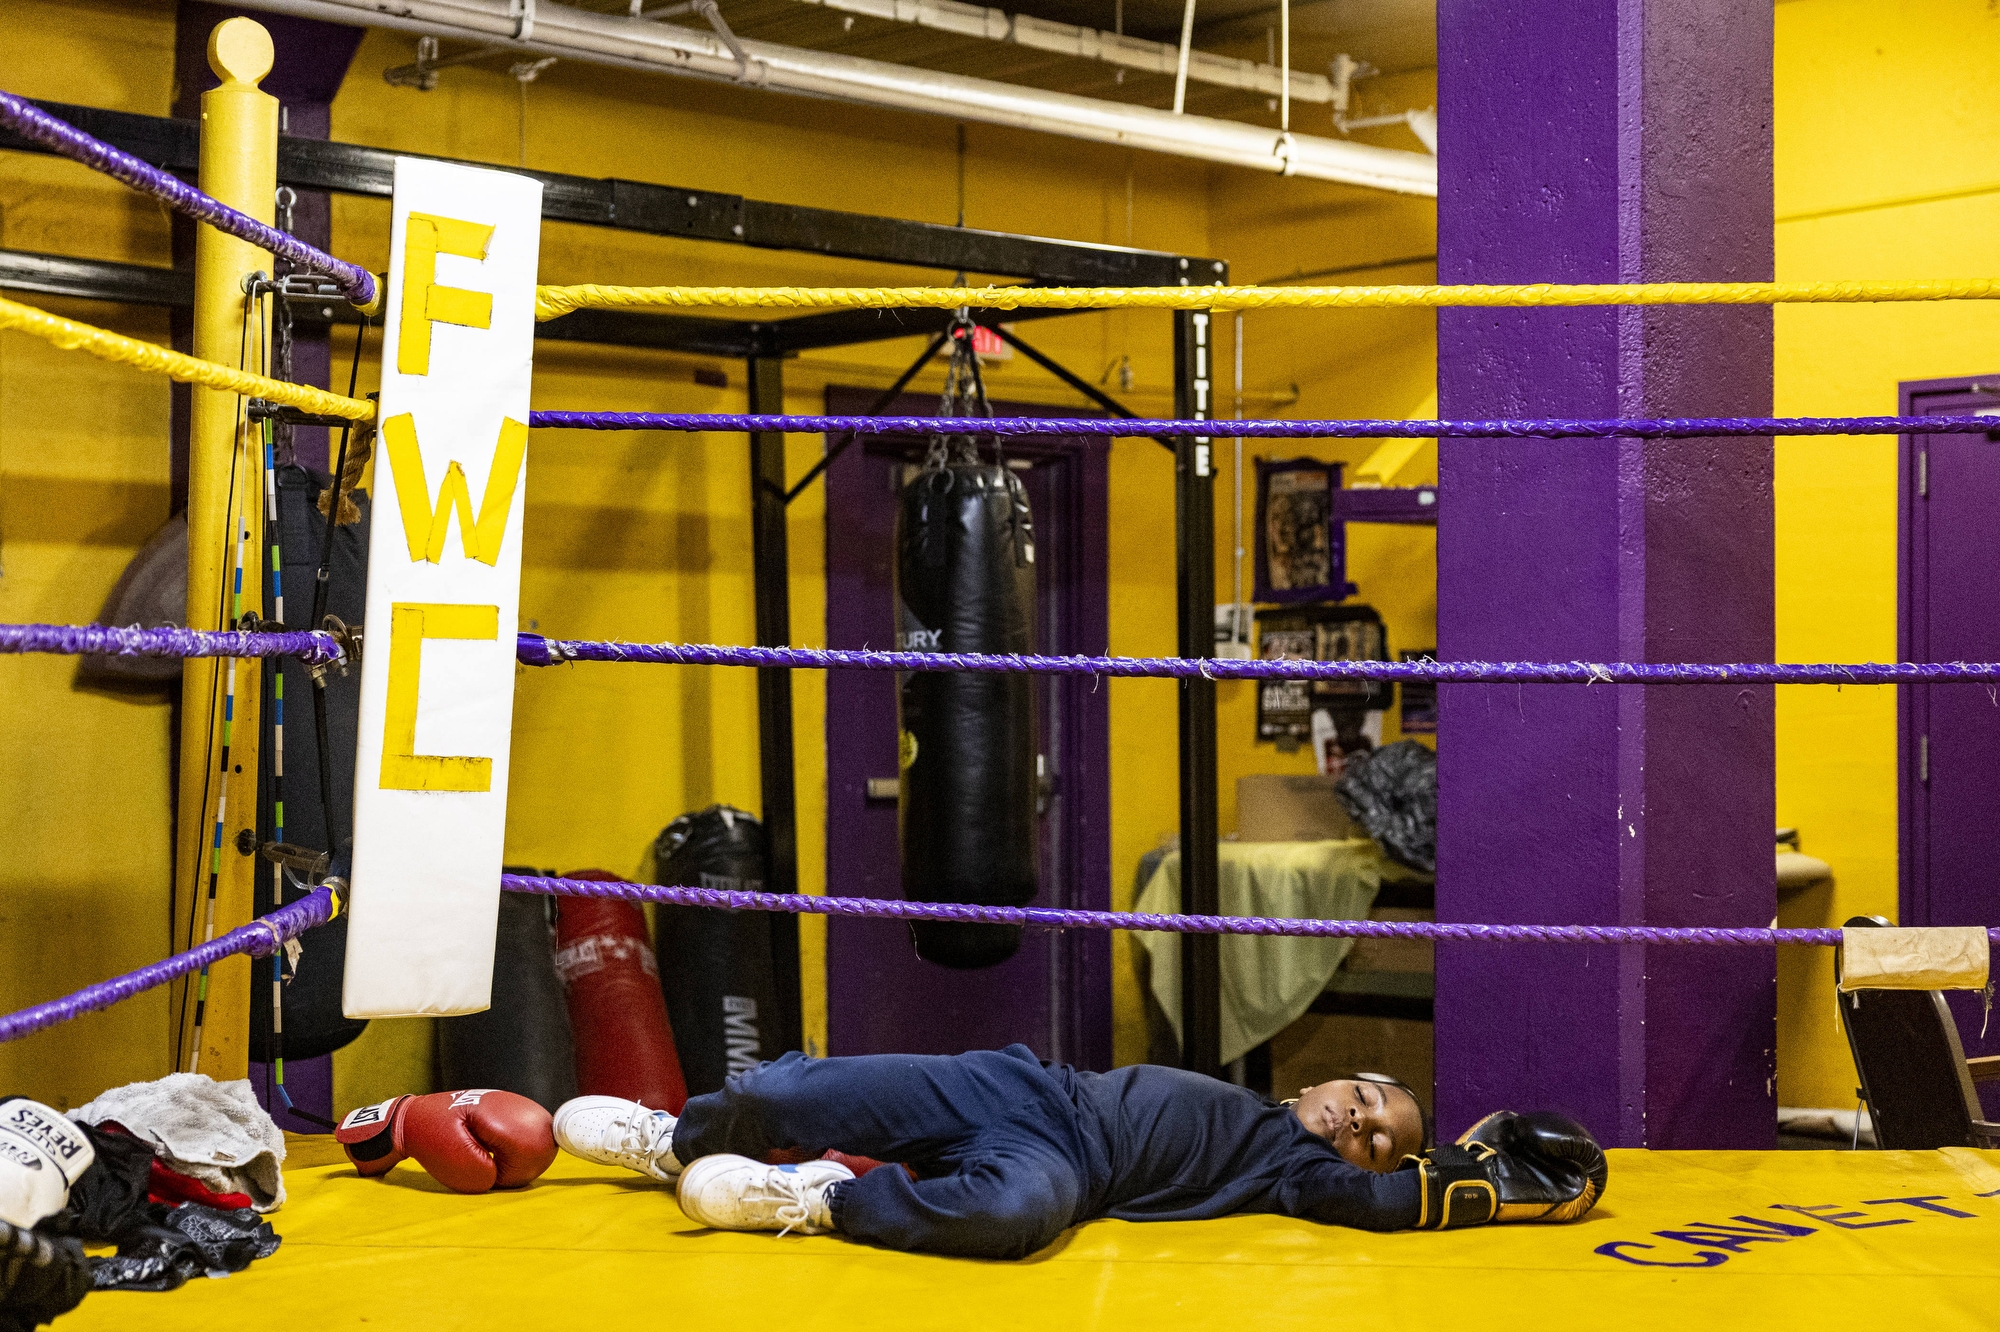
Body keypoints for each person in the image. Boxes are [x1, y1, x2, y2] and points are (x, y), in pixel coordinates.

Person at [553, 1046, 1606, 1260]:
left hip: (1068, 1163)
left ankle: (818, 1201)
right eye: (1364, 1099)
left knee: (1011, 1217)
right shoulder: (1252, 1100)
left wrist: (1495, 1185)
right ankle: (669, 1141)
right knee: (787, 1087)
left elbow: (1385, 1205)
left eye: (1381, 1139)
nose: (1359, 1124)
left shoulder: (1292, 1177)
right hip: (1022, 1087)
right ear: (1323, 1081)